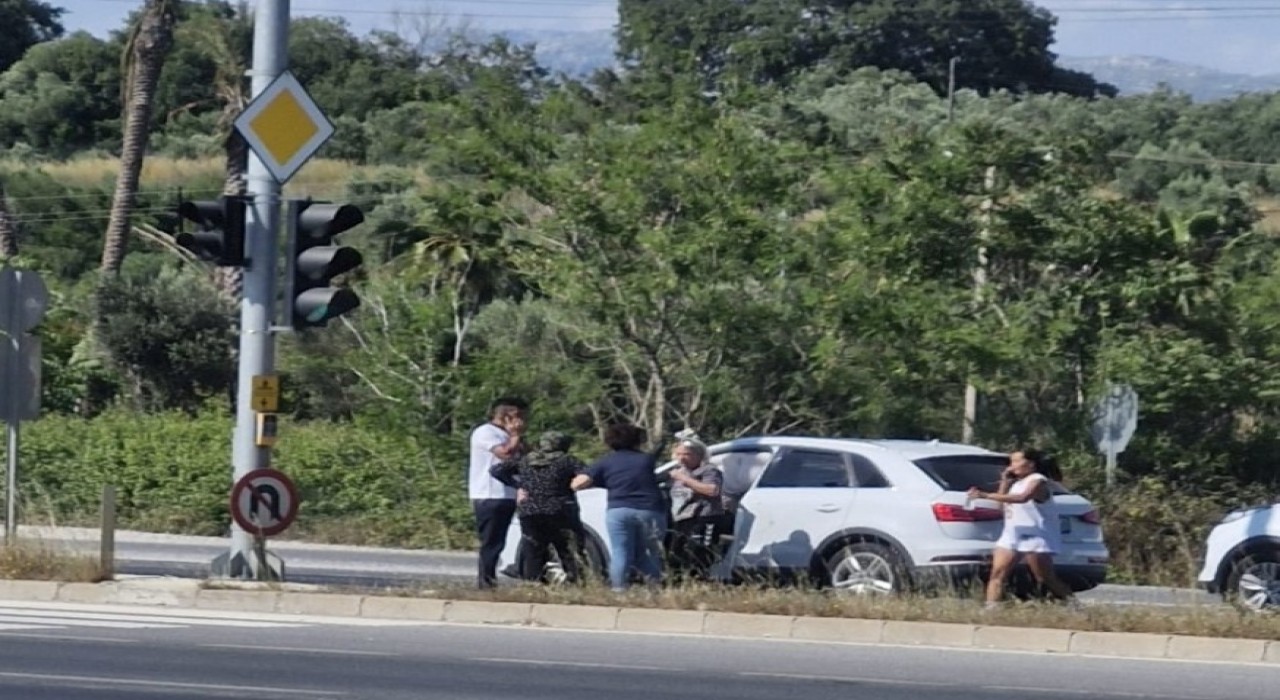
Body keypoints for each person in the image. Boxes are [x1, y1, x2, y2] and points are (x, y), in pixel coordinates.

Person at [967, 448, 1078, 608]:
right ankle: (992, 608)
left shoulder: (1038, 480)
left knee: (1044, 576)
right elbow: (1001, 506)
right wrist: (1004, 482)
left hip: (1035, 535)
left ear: (1031, 464)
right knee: (997, 574)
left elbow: (1022, 498)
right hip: (1013, 534)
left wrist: (985, 495)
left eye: (1017, 461)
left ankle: (1072, 603)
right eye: (1011, 462)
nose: (1012, 466)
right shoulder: (1016, 484)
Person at [571, 422, 666, 592]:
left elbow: (578, 484)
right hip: (649, 509)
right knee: (652, 552)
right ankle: (654, 589)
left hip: (618, 509)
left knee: (620, 551)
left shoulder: (605, 462)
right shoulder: (646, 460)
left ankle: (619, 590)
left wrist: (603, 481)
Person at [490, 431, 589, 584]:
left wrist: (518, 486)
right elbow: (586, 475)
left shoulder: (526, 460)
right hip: (560, 510)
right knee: (568, 549)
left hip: (530, 511)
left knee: (533, 550)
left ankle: (533, 583)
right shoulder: (567, 461)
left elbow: (496, 470)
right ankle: (575, 582)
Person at [468, 397, 528, 589]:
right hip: (489, 493)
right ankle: (485, 582)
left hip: (509, 493)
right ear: (507, 415)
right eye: (518, 416)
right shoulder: (485, 432)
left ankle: (491, 578)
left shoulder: (507, 434)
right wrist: (515, 436)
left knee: (501, 541)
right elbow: (504, 453)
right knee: (491, 541)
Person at [666, 437, 725, 582]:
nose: (682, 458)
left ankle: (700, 582)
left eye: (686, 454)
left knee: (699, 554)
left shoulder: (709, 470)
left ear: (699, 455)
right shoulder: (678, 471)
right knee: (678, 554)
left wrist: (684, 479)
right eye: (678, 454)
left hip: (704, 518)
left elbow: (712, 490)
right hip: (682, 519)